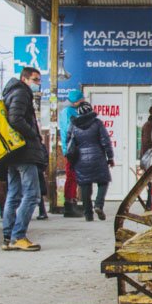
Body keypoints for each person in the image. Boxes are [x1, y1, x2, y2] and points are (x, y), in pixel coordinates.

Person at [1, 66, 48, 250]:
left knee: (14, 194)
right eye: (35, 80)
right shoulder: (22, 93)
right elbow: (15, 119)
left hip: (14, 153)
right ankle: (18, 236)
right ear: (25, 79)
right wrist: (33, 136)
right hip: (24, 152)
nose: (38, 84)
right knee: (32, 195)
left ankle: (8, 236)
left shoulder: (11, 92)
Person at [66, 101, 114, 221]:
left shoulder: (73, 125)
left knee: (85, 185)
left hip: (80, 159)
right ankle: (98, 204)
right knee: (103, 182)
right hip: (98, 157)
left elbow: (69, 142)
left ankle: (88, 214)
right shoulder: (97, 123)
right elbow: (105, 141)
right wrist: (110, 157)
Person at [59, 89, 83, 217]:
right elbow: (72, 129)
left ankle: (72, 201)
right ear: (76, 100)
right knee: (72, 176)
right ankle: (69, 205)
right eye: (81, 100)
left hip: (73, 148)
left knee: (74, 176)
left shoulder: (69, 110)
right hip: (71, 149)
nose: (82, 102)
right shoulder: (68, 111)